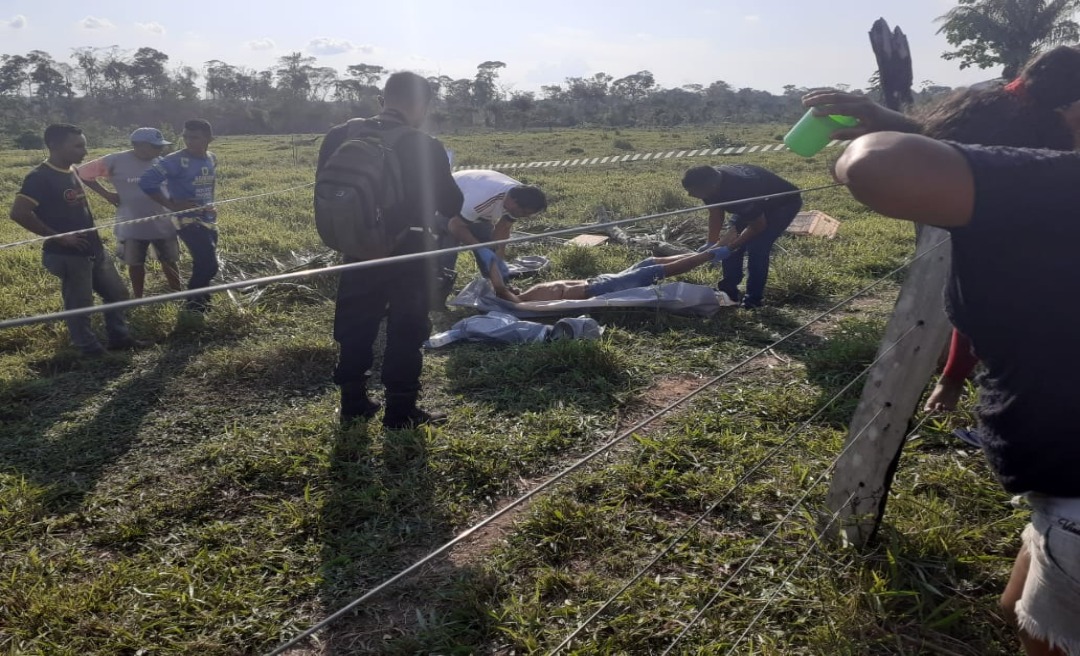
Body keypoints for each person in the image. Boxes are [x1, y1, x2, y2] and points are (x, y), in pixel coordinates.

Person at [831, 44, 1080, 656]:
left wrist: (867, 143)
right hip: (1057, 480)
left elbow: (878, 167)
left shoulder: (1059, 188)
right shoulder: (1047, 204)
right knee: (1018, 609)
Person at [318, 71, 463, 430]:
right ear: (423, 105)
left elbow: (327, 191)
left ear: (383, 100)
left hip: (357, 246)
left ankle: (353, 402)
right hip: (410, 251)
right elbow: (450, 203)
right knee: (407, 328)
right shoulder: (423, 144)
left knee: (355, 324)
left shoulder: (340, 135)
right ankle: (401, 411)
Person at [8, 124, 144, 356]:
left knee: (117, 293)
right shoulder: (40, 177)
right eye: (78, 145)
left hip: (93, 248)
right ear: (54, 146)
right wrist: (59, 237)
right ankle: (89, 350)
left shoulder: (72, 170)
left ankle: (119, 338)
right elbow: (18, 213)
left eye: (84, 145)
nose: (85, 151)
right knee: (80, 305)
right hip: (67, 254)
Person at [78, 127, 181, 298]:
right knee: (135, 263)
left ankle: (177, 293)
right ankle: (138, 298)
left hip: (162, 222)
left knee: (169, 260)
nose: (160, 149)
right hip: (131, 224)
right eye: (155, 146)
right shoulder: (115, 160)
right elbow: (82, 173)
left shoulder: (160, 161)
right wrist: (106, 194)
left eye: (160, 146)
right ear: (138, 146)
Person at [681, 164, 802, 308]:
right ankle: (729, 293)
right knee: (729, 244)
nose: (689, 195)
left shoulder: (738, 190)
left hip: (782, 204)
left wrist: (729, 248)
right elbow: (715, 211)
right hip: (755, 201)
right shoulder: (708, 183)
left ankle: (753, 301)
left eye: (692, 191)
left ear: (710, 186)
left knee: (757, 247)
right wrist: (712, 242)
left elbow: (758, 226)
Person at [138, 119, 217, 312]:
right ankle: (193, 304)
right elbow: (146, 181)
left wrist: (211, 204)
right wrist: (172, 205)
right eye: (186, 137)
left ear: (209, 138)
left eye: (195, 137)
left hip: (208, 218)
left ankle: (203, 299)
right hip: (186, 220)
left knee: (204, 261)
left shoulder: (212, 158)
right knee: (209, 263)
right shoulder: (174, 160)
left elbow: (210, 183)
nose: (189, 141)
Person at [436, 170, 548, 298]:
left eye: (528, 215)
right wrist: (479, 247)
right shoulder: (484, 198)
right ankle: (438, 295)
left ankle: (499, 288)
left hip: (476, 210)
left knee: (490, 247)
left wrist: (497, 258)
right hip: (447, 206)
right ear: (513, 201)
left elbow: (503, 229)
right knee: (448, 250)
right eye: (523, 213)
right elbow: (455, 225)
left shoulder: (520, 198)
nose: (524, 216)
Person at [488, 248, 731, 303]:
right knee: (653, 271)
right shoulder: (521, 302)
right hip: (599, 290)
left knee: (649, 262)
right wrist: (490, 262)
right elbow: (499, 287)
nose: (512, 288)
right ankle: (710, 255)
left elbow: (502, 285)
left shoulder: (530, 292)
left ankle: (700, 252)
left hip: (600, 280)